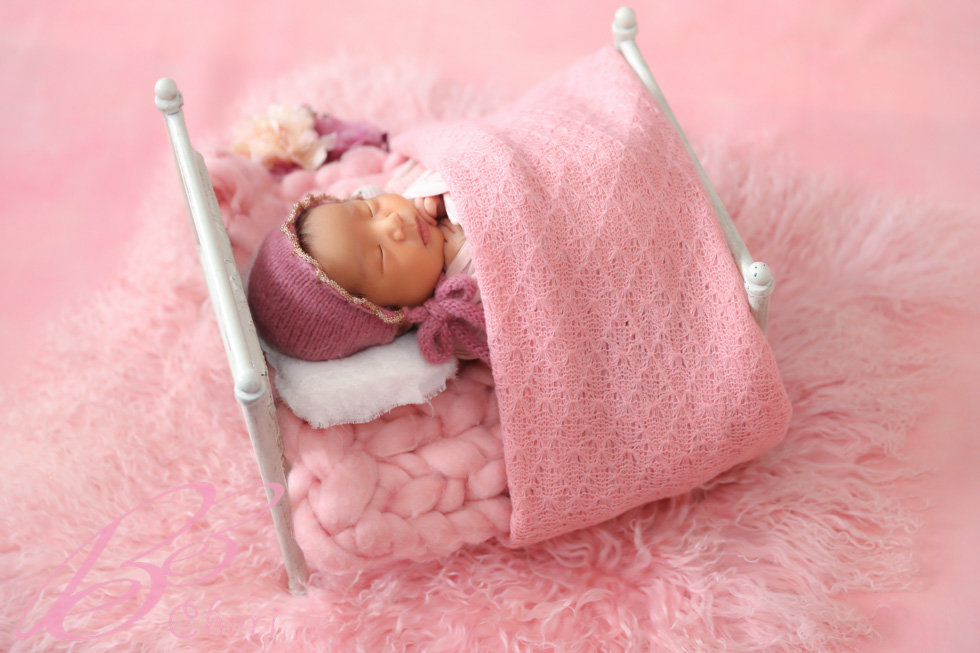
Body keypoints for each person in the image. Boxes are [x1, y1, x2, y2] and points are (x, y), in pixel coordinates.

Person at [246, 168, 488, 365]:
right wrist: (471, 252)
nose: (392, 223)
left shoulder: (411, 197)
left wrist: (436, 193)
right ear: (398, 315)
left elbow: (460, 166)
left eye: (369, 210)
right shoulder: (460, 318)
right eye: (381, 254)